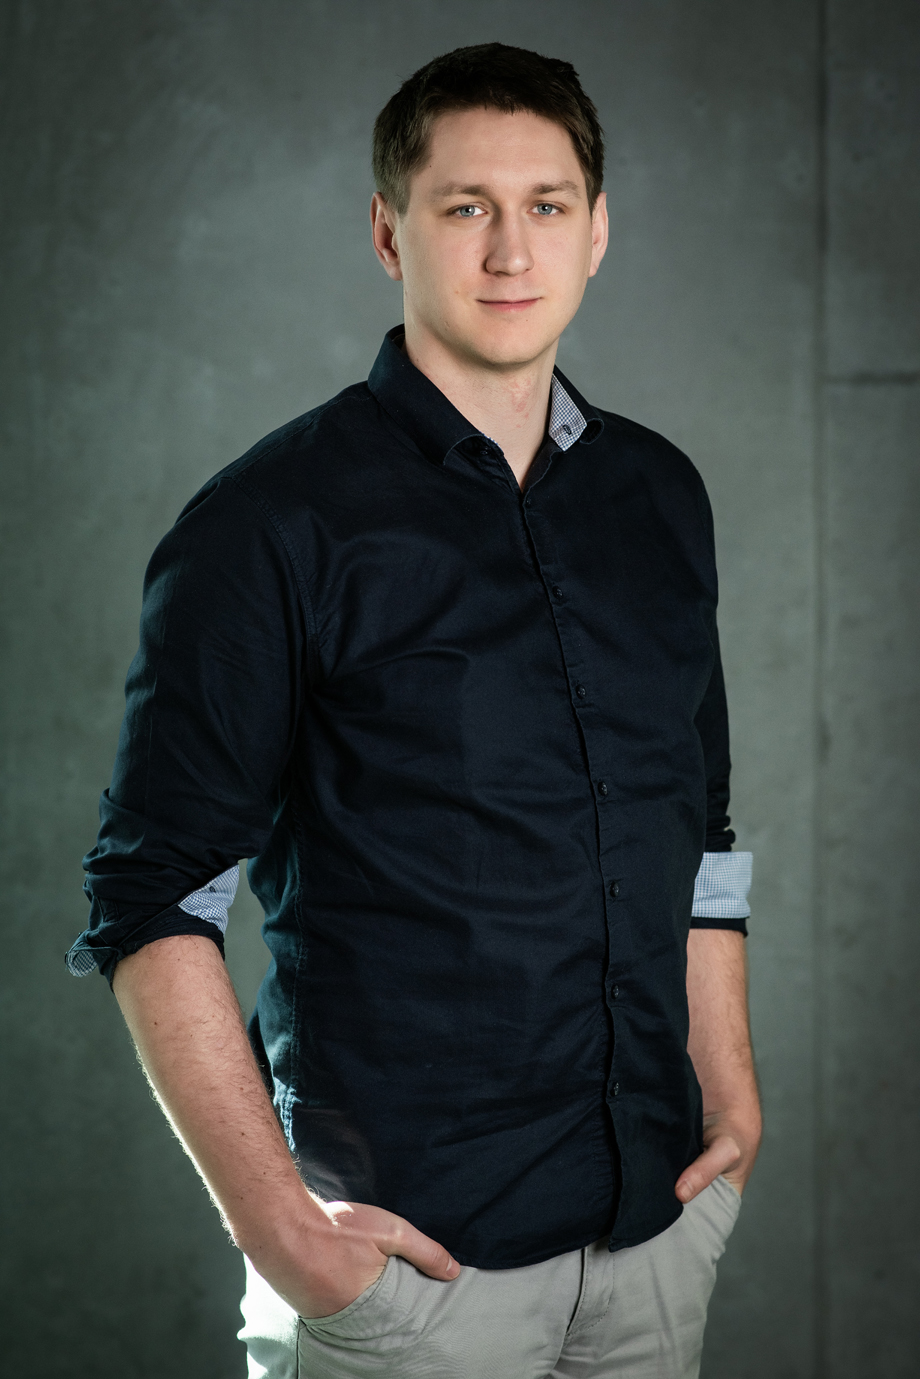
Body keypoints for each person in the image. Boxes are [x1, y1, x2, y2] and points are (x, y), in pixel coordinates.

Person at [68, 42, 761, 1379]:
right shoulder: (267, 525)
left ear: (598, 230)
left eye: (546, 204)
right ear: (390, 232)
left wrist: (729, 1089)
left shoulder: (660, 497)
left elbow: (704, 823)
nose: (511, 249)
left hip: (655, 1242)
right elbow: (153, 894)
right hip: (409, 1285)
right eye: (465, 207)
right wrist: (286, 1235)